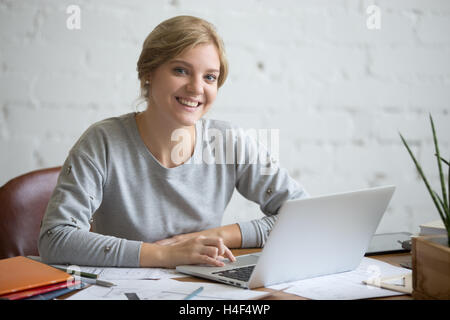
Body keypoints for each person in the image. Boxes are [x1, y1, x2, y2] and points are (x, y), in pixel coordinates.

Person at [38, 15, 308, 268]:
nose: (196, 88)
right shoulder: (102, 142)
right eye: (181, 70)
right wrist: (163, 254)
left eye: (209, 77)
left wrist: (218, 235)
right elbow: (55, 238)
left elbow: (303, 216)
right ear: (148, 73)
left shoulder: (229, 141)